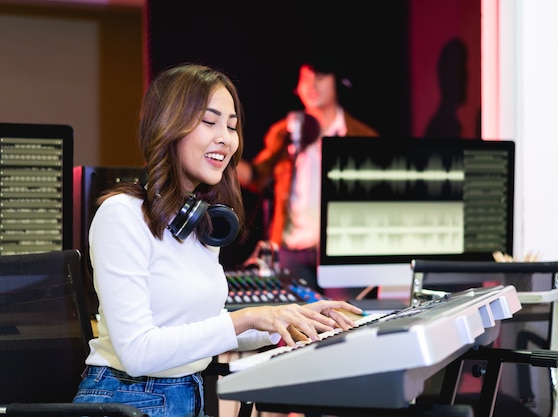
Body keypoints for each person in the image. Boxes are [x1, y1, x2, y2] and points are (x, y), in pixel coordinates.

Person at [72, 63, 363, 417]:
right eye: (209, 122)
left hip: (185, 396)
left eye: (232, 126)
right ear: (169, 125)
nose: (225, 137)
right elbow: (138, 352)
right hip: (125, 401)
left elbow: (197, 328)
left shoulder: (201, 223)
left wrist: (282, 322)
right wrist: (247, 318)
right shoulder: (122, 215)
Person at [238, 54, 378, 297]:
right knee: (298, 325)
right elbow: (258, 175)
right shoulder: (285, 131)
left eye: (320, 77)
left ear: (338, 82)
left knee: (345, 319)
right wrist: (224, 158)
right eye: (305, 79)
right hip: (292, 248)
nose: (311, 86)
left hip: (341, 251)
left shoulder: (361, 135)